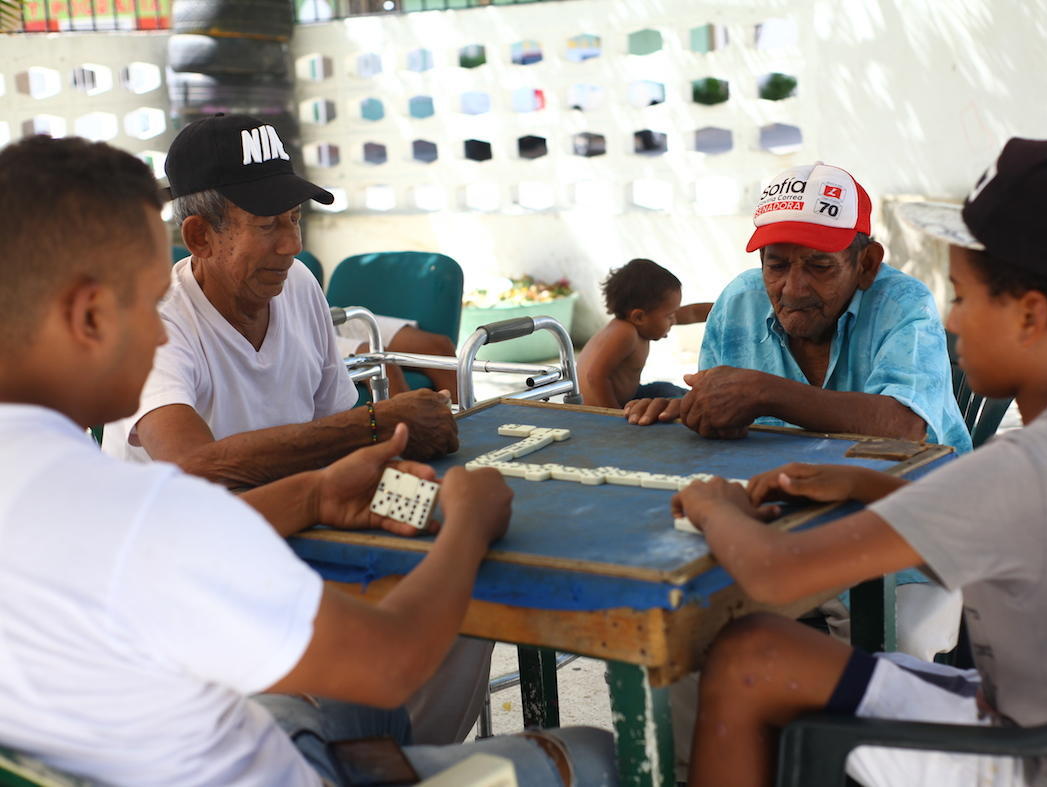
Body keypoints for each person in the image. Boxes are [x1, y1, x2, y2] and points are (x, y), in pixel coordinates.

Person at [0, 134, 617, 786]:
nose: (158, 330)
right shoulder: (146, 514)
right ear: (92, 314)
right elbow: (391, 661)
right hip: (281, 764)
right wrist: (469, 520)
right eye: (149, 300)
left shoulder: (47, 482)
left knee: (341, 693)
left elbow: (198, 526)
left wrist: (315, 493)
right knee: (596, 753)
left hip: (204, 732)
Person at [680, 137, 1047, 787]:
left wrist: (710, 505)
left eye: (965, 298)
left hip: (1041, 757)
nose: (950, 318)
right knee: (767, 651)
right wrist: (865, 481)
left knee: (745, 657)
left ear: (1029, 315)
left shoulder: (1022, 468)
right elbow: (1005, 525)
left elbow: (776, 573)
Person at [100, 114, 482, 746]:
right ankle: (367, 754)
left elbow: (339, 427)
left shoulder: (297, 285)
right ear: (199, 235)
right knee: (392, 648)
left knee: (466, 539)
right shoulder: (159, 324)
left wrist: (400, 450)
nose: (291, 245)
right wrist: (374, 421)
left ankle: (399, 757)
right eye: (268, 224)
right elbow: (195, 466)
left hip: (313, 529)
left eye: (295, 220)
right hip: (203, 589)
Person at [624, 162, 972, 457]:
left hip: (914, 500)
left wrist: (764, 393)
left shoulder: (902, 304)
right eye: (776, 266)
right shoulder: (739, 302)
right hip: (784, 489)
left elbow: (906, 427)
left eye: (819, 267)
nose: (793, 288)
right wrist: (693, 410)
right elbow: (726, 425)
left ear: (866, 264)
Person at [577, 258, 712, 408]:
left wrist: (727, 308)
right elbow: (595, 377)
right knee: (677, 400)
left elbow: (692, 313)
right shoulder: (625, 333)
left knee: (666, 389)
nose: (674, 320)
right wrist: (615, 418)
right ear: (639, 316)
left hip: (630, 396)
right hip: (605, 408)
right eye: (669, 316)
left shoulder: (643, 322)